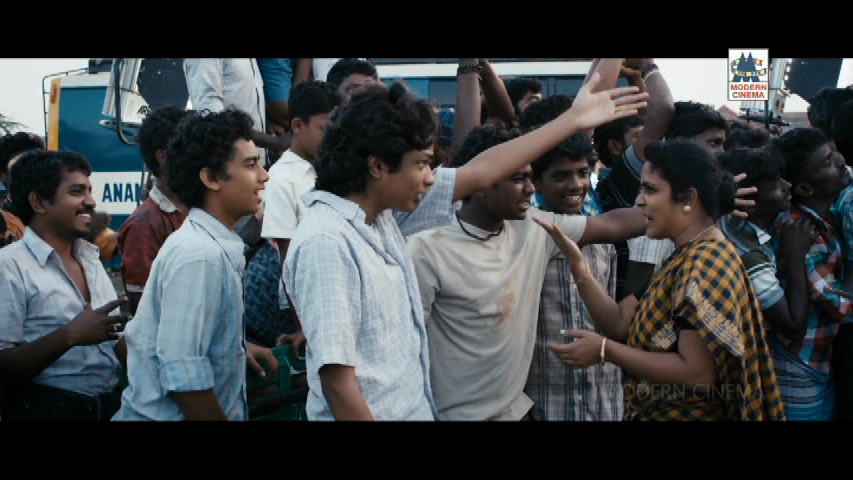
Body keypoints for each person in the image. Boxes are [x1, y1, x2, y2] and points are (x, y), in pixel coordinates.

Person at [283, 76, 648, 421]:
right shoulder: (327, 242)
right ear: (378, 166)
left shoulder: (382, 216)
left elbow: (484, 170)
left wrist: (573, 120)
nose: (431, 177)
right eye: (422, 164)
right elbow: (339, 385)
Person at [535, 140, 786, 421]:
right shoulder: (683, 257)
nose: (640, 201)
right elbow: (619, 323)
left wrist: (606, 351)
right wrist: (580, 269)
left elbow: (698, 374)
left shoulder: (704, 263)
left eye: (651, 190)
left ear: (688, 199)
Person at [113, 109, 279, 421]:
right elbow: (185, 378)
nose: (264, 175)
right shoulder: (199, 255)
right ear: (211, 178)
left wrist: (236, 349)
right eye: (250, 165)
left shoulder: (213, 246)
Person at [0, 149, 129, 420]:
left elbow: (113, 338)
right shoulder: (9, 266)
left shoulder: (90, 259)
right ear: (38, 202)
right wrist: (70, 335)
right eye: (77, 192)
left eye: (89, 191)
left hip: (109, 408)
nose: (91, 202)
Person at [249, 80, 340, 348]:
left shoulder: (327, 169)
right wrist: (303, 327)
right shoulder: (282, 179)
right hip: (299, 305)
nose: (333, 138)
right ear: (298, 126)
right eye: (325, 130)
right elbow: (287, 261)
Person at [770, 128, 853, 421]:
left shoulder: (829, 217)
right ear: (805, 189)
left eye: (835, 153)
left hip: (816, 360)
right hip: (801, 367)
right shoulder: (802, 232)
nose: (840, 161)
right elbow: (839, 306)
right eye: (827, 161)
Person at [718, 148, 814, 341]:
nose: (788, 185)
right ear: (750, 202)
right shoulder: (747, 255)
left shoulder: (728, 220)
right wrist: (796, 256)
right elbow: (794, 326)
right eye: (776, 184)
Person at [117, 106, 191, 316]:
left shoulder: (197, 207)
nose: (200, 156)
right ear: (163, 156)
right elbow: (145, 308)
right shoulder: (144, 224)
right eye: (190, 148)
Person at [183, 58, 288, 169]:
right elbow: (211, 117)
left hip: (254, 164)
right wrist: (275, 141)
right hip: (230, 167)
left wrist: (264, 123)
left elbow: (240, 98)